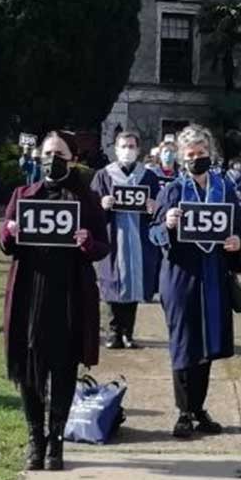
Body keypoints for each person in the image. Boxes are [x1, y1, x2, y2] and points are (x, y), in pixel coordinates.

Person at [0, 132, 111, 470]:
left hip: (69, 295)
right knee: (30, 370)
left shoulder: (87, 199)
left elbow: (104, 247)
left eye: (59, 152)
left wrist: (87, 241)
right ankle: (36, 438)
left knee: (63, 368)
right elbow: (5, 243)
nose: (52, 158)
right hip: (30, 293)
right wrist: (9, 233)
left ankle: (57, 441)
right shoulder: (23, 194)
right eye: (47, 152)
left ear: (72, 157)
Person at [149, 124, 241, 437]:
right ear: (181, 158)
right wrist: (166, 223)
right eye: (190, 155)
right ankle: (183, 411)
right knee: (183, 342)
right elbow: (153, 233)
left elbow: (239, 228)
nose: (196, 158)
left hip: (214, 273)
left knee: (207, 343)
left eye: (201, 153)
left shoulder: (225, 188)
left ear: (211, 154)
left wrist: (237, 244)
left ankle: (199, 407)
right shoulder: (173, 190)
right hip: (180, 275)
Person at [92, 128, 163, 348]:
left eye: (132, 146)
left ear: (138, 150)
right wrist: (101, 205)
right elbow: (90, 209)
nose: (127, 150)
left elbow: (159, 210)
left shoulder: (148, 176)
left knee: (134, 285)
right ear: (115, 149)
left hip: (139, 239)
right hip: (113, 237)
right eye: (123, 146)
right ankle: (113, 332)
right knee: (112, 283)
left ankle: (128, 333)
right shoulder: (103, 175)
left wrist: (155, 207)